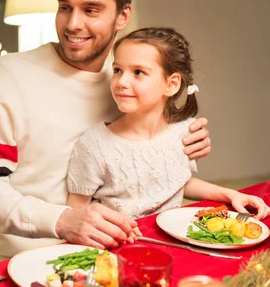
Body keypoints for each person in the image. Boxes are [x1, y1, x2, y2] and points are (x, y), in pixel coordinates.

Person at [0, 0, 212, 263]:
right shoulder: (7, 76)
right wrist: (62, 220)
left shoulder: (127, 82)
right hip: (21, 259)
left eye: (91, 10)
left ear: (123, 16)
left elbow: (146, 152)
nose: (73, 23)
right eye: (65, 7)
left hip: (111, 256)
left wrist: (181, 136)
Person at [66, 27, 269, 220]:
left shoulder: (185, 132)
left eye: (138, 72)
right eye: (118, 70)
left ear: (171, 84)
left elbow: (177, 183)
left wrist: (232, 195)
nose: (121, 82)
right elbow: (77, 213)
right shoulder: (94, 146)